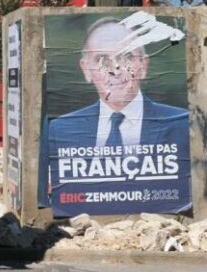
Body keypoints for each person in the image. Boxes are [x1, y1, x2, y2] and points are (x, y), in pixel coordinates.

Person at [40, 17, 190, 210]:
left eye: (126, 57)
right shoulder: (59, 130)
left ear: (143, 66)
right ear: (86, 70)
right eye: (102, 60)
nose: (115, 70)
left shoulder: (182, 125)